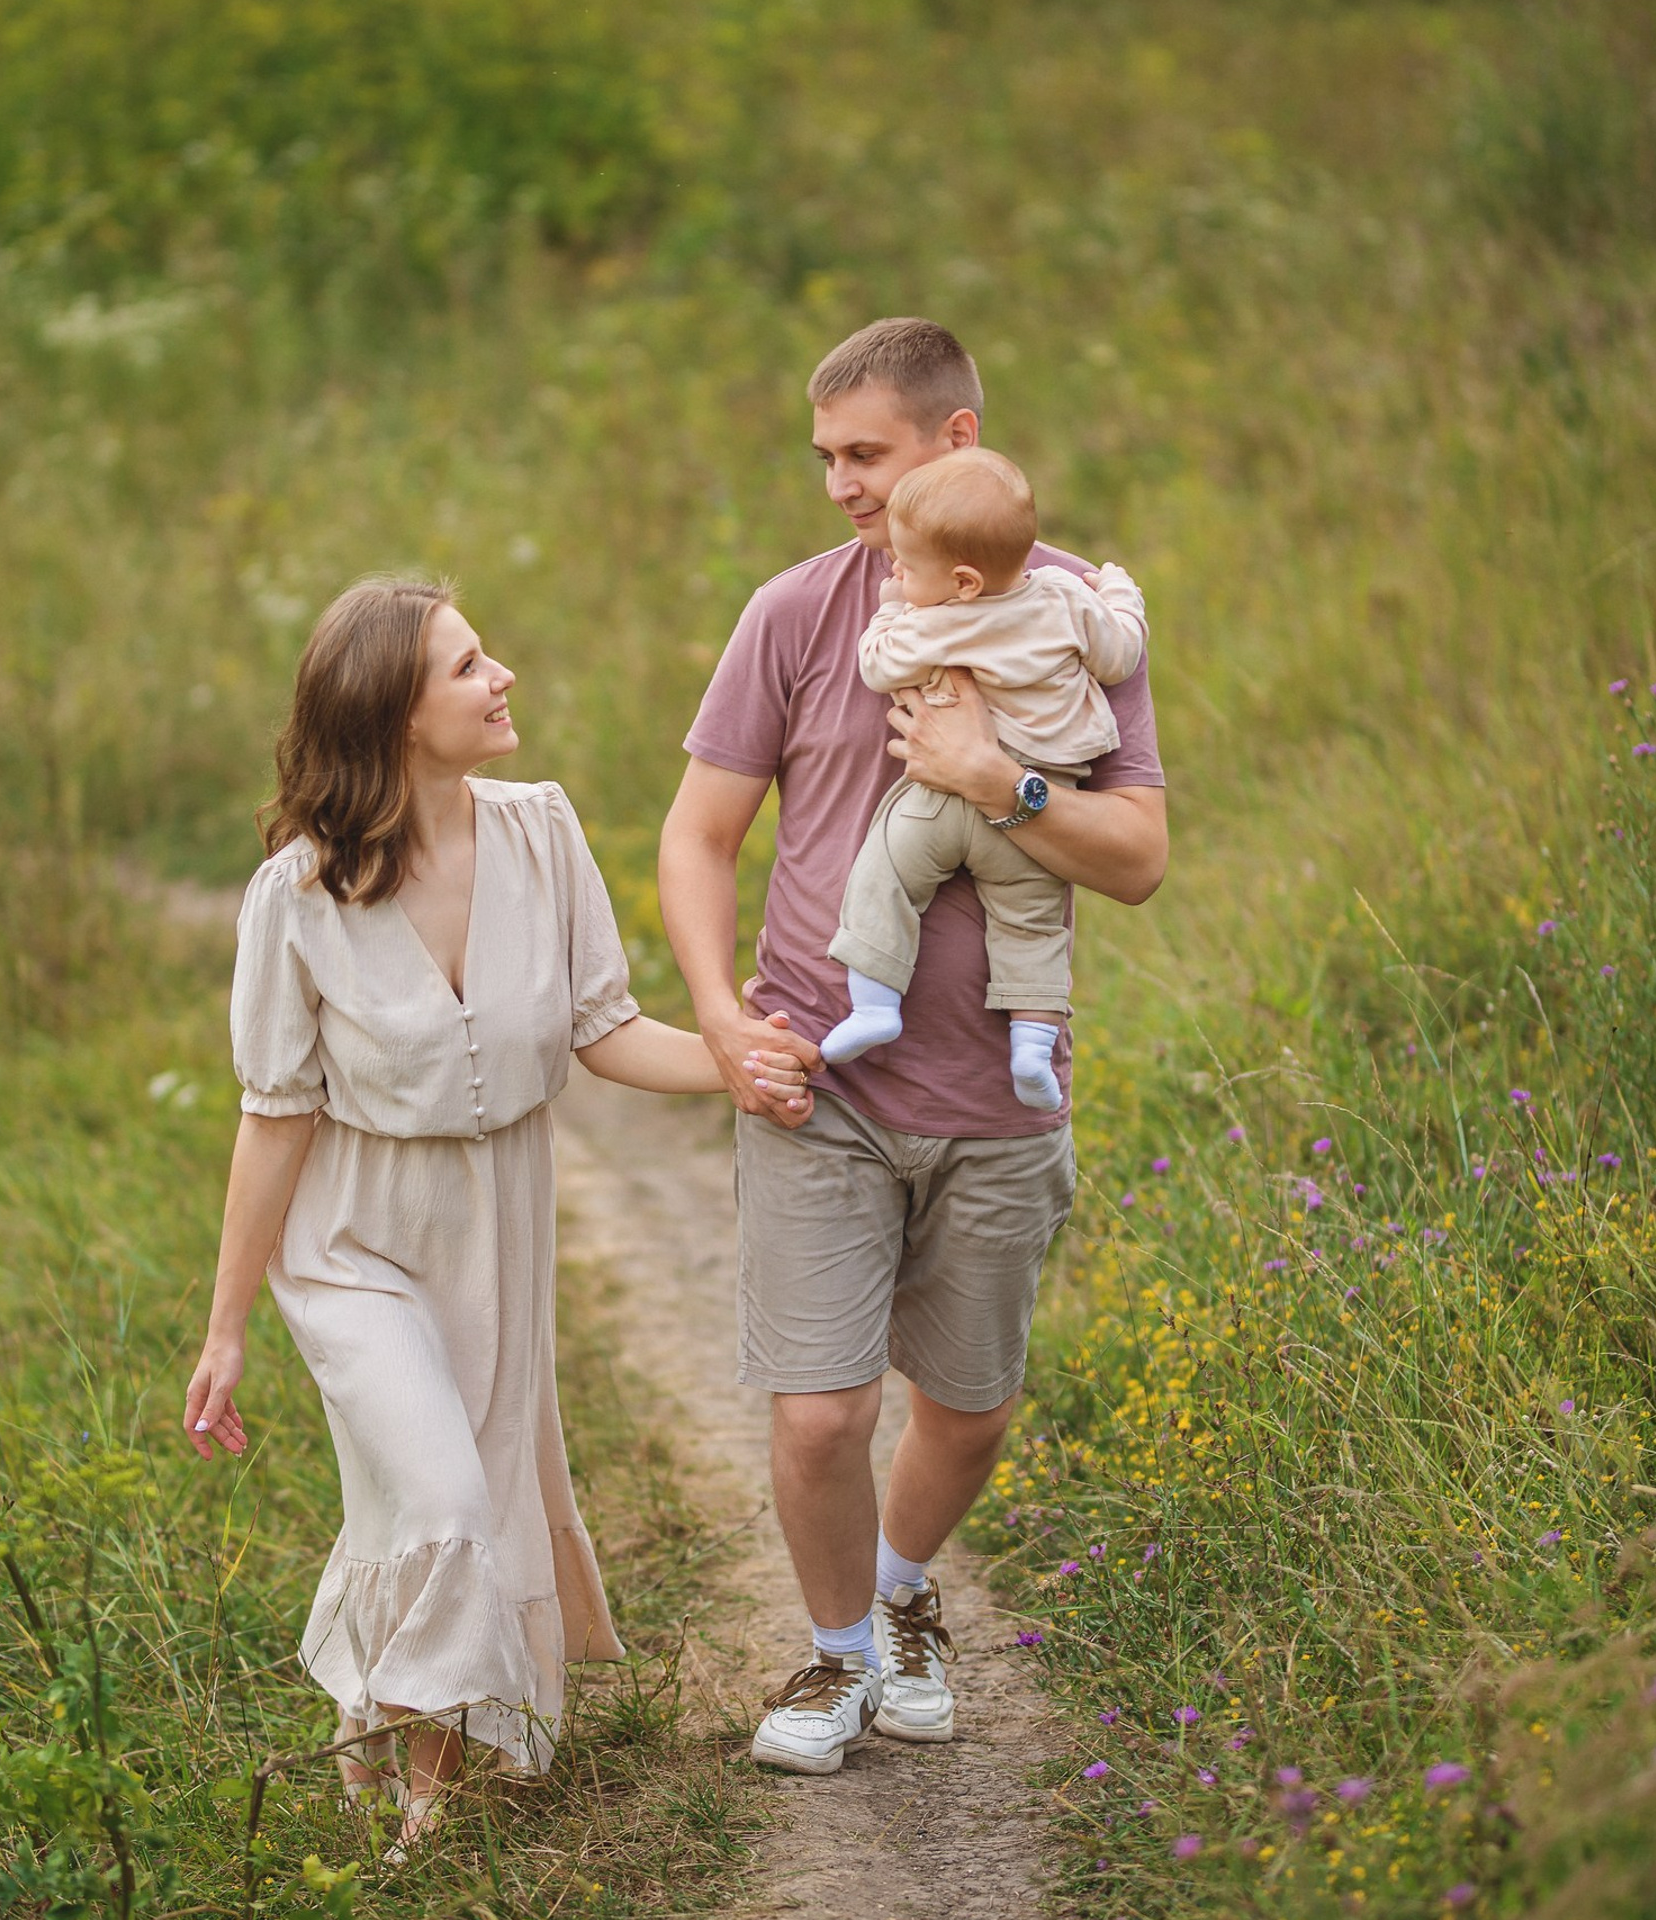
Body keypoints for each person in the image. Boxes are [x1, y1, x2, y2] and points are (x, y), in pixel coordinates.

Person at [182, 576, 816, 1845]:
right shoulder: (296, 898)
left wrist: (738, 1059)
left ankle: (389, 1722)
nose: (503, 677)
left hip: (497, 1231)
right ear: (396, 717)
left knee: (431, 1500)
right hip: (355, 1237)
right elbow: (274, 1114)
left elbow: (604, 1029)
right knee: (448, 1503)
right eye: (469, 667)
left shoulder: (541, 830)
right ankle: (431, 1800)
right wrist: (228, 1327)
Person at [660, 318, 1166, 1774]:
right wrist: (716, 1010)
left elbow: (1136, 859)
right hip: (818, 1078)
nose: (837, 485)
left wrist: (990, 780)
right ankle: (832, 1661)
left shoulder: (1072, 616)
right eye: (823, 456)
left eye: (863, 454)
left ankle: (899, 1596)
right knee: (819, 1416)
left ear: (956, 443)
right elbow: (698, 840)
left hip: (1000, 1098)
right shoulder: (799, 615)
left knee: (967, 1408)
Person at [820, 445, 1147, 1110]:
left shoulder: (933, 623)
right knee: (1030, 925)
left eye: (906, 567)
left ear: (963, 582)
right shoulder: (1062, 599)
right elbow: (1120, 654)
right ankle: (1031, 1047)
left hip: (938, 802)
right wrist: (1119, 593)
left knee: (882, 874)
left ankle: (875, 1003)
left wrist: (889, 608)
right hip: (1040, 801)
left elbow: (878, 666)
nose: (897, 573)